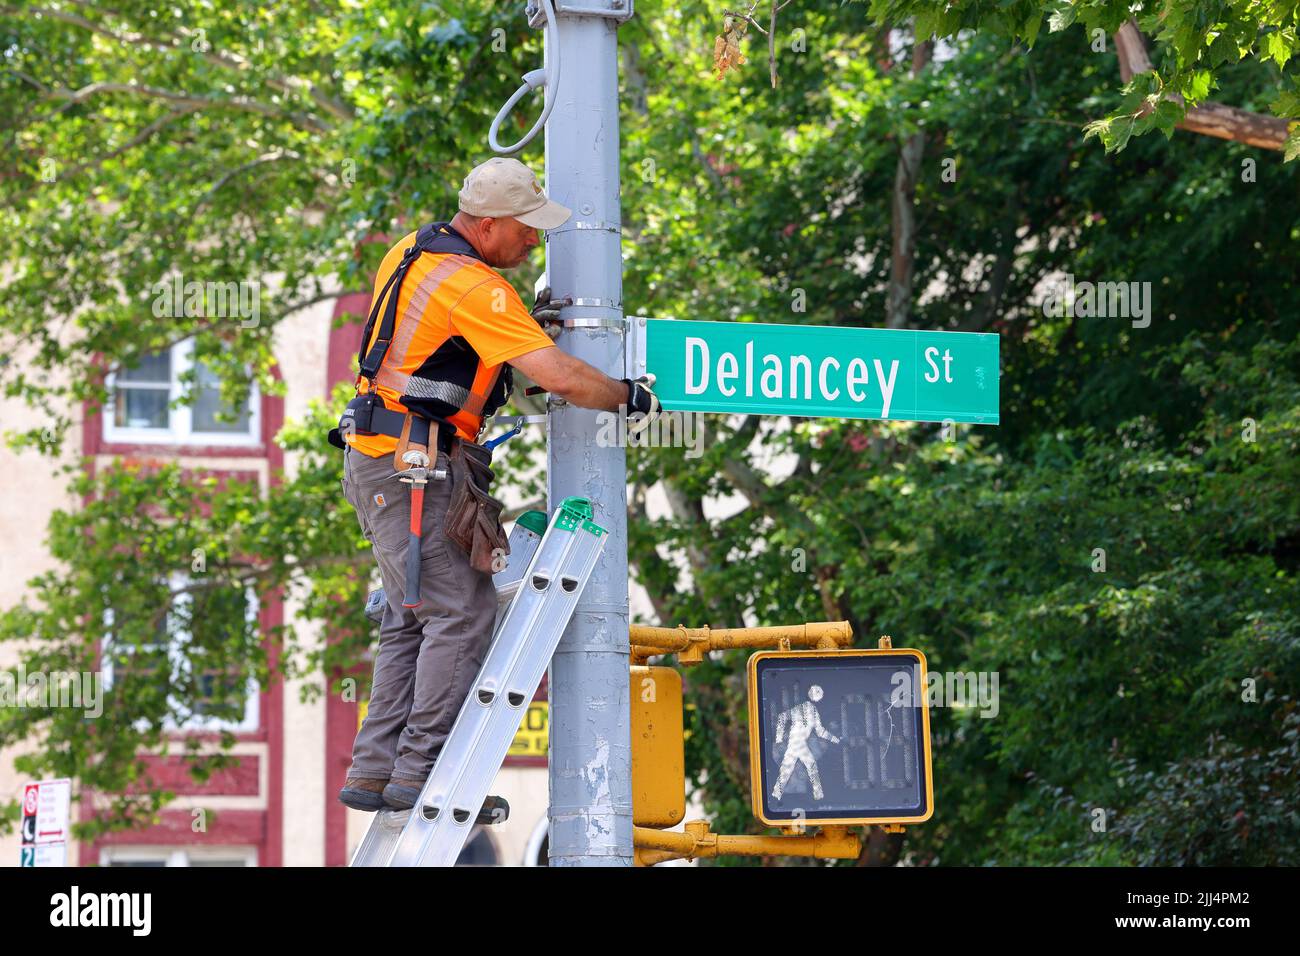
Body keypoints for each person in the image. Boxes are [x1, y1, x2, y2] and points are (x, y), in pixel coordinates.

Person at [335, 157, 659, 817]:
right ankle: (426, 778)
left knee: (411, 617)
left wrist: (522, 328)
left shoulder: (413, 251)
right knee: (460, 615)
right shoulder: (474, 286)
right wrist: (629, 397)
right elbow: (561, 379)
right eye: (525, 230)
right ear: (486, 225)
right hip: (415, 470)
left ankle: (377, 773)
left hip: (385, 460)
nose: (534, 242)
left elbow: (451, 357)